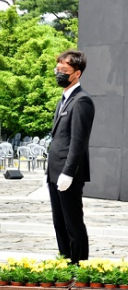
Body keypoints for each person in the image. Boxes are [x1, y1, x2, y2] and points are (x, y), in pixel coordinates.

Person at [46, 50, 95, 264]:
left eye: (64, 71)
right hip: (54, 172)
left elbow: (78, 141)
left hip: (68, 174)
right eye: (58, 69)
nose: (59, 74)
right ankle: (65, 262)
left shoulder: (82, 101)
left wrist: (68, 172)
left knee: (72, 223)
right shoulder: (63, 100)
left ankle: (78, 265)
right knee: (59, 222)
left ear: (77, 74)